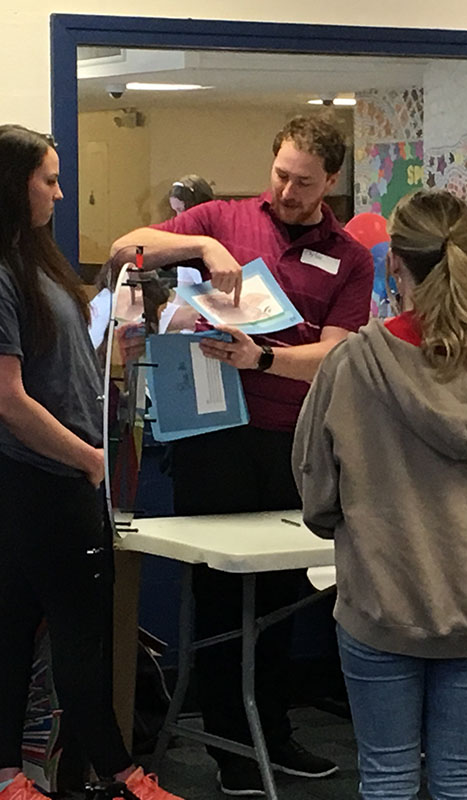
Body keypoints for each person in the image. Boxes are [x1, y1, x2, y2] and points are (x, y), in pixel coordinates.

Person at [110, 116, 373, 792]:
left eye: (304, 182)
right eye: (281, 174)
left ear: (332, 183)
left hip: (296, 438)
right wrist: (199, 243)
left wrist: (264, 357)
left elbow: (338, 353)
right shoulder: (223, 217)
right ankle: (230, 747)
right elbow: (122, 249)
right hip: (215, 433)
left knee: (285, 590)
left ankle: (274, 733)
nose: (287, 189)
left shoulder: (349, 255)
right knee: (224, 591)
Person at [292, 189, 467, 799]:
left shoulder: (353, 365)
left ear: (393, 263)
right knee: (463, 775)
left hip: (380, 600)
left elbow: (317, 494)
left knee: (387, 776)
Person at [0, 124, 182, 800]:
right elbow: (10, 401)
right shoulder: (1, 273)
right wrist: (88, 459)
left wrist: (116, 352)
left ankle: (27, 775)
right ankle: (118, 773)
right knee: (74, 636)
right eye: (48, 178)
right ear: (14, 183)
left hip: (53, 478)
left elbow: (58, 365)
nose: (60, 190)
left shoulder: (36, 261)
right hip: (46, 480)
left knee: (30, 630)